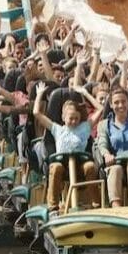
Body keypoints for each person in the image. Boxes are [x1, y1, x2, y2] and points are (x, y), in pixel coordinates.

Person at [33, 83, 101, 211]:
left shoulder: (85, 128)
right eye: (71, 118)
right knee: (55, 167)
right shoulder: (56, 129)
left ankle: (96, 204)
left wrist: (85, 93)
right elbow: (36, 113)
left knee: (90, 167)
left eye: (76, 118)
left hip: (79, 165)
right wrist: (39, 94)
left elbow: (100, 109)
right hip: (63, 166)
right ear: (64, 118)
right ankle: (53, 206)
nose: (74, 121)